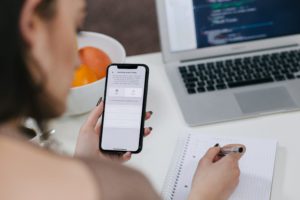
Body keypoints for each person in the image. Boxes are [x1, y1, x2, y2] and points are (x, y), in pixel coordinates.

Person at [0, 0, 245, 200]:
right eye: (75, 29)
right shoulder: (120, 190)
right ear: (32, 24)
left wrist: (84, 163)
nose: (77, 62)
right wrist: (207, 194)